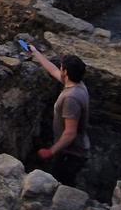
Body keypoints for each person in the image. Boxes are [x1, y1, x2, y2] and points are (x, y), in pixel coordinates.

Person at [30, 49, 91, 186]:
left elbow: (70, 133)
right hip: (70, 150)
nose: (60, 69)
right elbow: (52, 70)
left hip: (71, 154)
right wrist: (35, 52)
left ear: (66, 73)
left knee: (61, 183)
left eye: (62, 67)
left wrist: (50, 152)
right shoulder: (78, 84)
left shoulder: (71, 98)